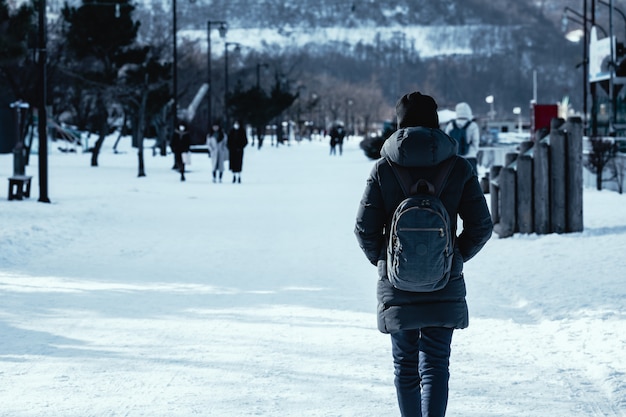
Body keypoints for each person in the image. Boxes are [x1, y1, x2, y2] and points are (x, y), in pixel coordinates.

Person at [354, 91, 493, 417]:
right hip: (444, 281)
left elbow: (364, 229)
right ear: (436, 122)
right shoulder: (458, 167)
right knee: (435, 365)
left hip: (398, 283)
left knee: (405, 366)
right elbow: (482, 226)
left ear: (400, 124)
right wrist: (453, 257)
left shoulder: (384, 168)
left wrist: (385, 261)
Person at [444, 102, 480, 173]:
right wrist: (473, 152)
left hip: (454, 159)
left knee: (455, 182)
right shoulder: (473, 125)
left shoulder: (451, 125)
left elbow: (446, 141)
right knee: (471, 181)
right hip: (470, 158)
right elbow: (475, 141)